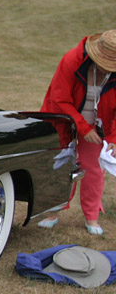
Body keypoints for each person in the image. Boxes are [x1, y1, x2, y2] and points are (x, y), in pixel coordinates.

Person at [39, 30, 116, 235]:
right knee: (61, 164)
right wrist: (83, 127)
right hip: (63, 118)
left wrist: (113, 138)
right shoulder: (72, 59)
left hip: (97, 125)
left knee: (94, 169)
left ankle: (92, 217)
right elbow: (59, 99)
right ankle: (52, 211)